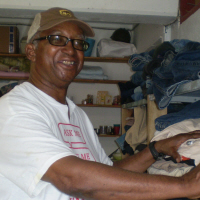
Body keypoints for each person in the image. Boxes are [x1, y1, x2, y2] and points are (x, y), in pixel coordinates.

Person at [0, 7, 200, 200]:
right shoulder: (12, 110)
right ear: (31, 51)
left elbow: (109, 175)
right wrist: (184, 185)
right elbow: (72, 179)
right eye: (58, 39)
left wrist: (156, 149)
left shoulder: (77, 114)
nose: (70, 50)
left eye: (78, 43)